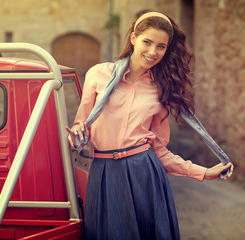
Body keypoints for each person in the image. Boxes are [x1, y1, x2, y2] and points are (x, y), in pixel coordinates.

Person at [66, 11, 234, 240]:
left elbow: (159, 151)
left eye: (161, 46)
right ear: (133, 38)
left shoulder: (161, 89)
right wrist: (76, 135)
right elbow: (80, 126)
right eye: (147, 42)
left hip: (143, 173)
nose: (153, 52)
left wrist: (203, 172)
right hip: (104, 174)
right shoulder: (98, 74)